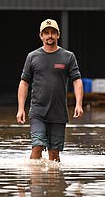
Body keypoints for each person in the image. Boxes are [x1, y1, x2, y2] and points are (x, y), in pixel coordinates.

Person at [16, 19, 84, 162]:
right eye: (46, 33)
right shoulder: (32, 57)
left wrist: (79, 103)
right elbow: (24, 83)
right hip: (38, 112)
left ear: (58, 35)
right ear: (41, 36)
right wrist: (20, 108)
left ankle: (53, 182)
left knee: (54, 156)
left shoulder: (68, 57)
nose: (50, 36)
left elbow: (77, 81)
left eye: (53, 33)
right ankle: (35, 182)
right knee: (37, 147)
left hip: (58, 113)